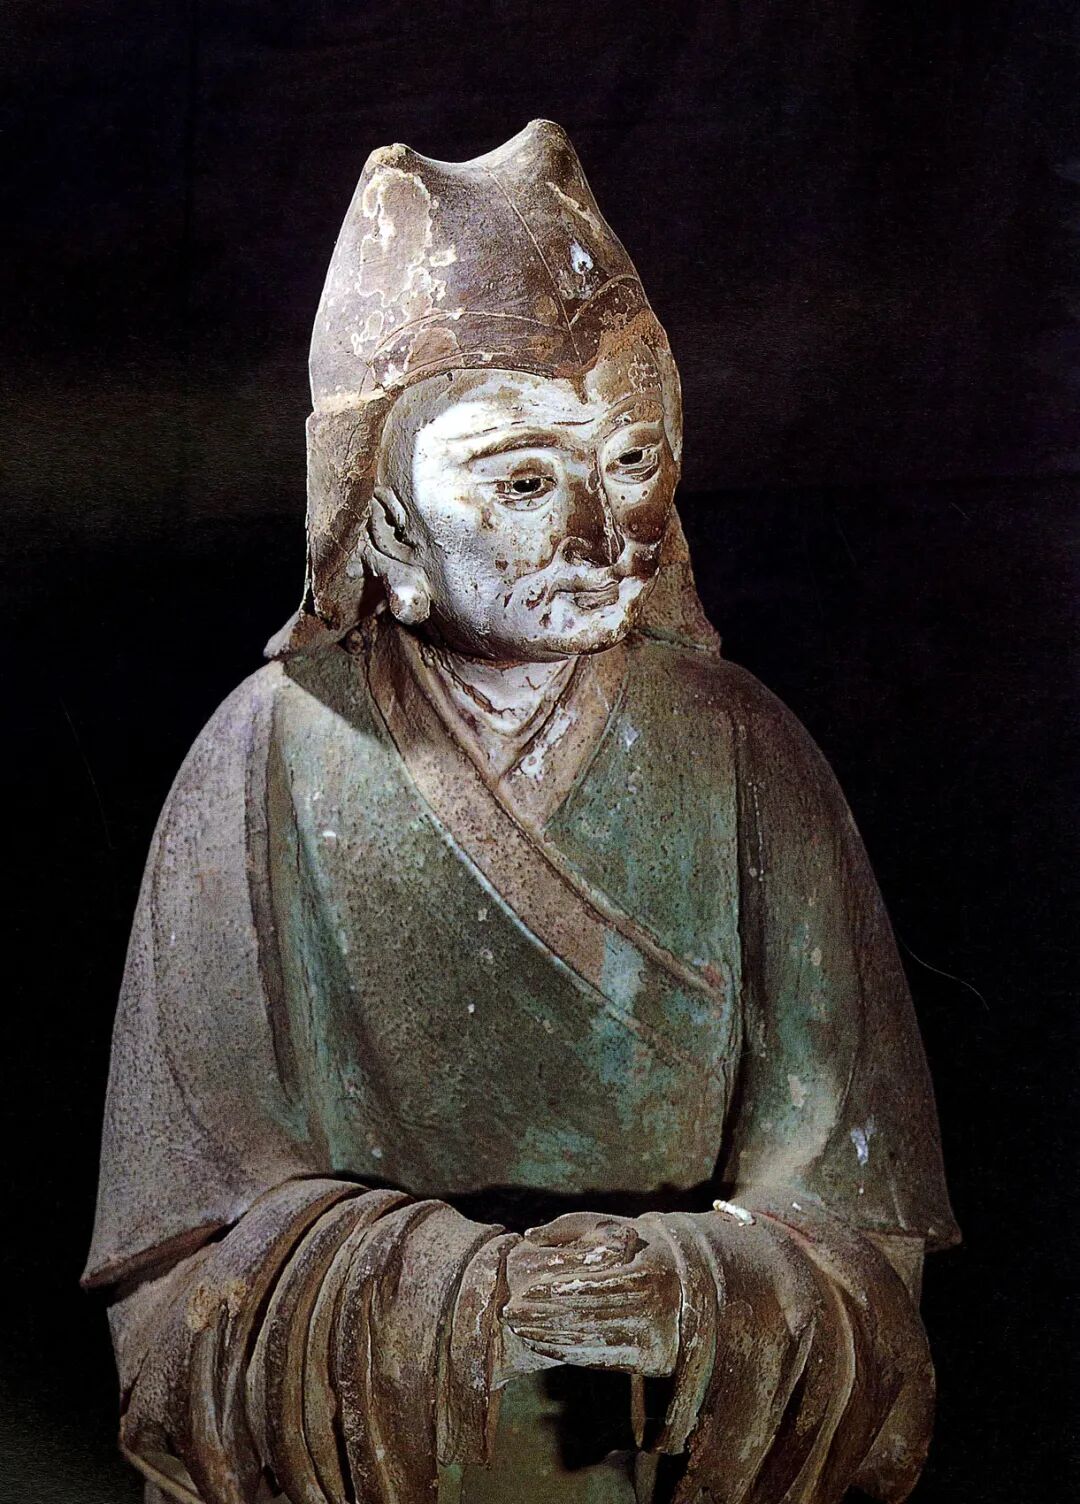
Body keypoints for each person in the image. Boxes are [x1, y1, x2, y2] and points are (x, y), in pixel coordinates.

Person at [84, 120, 958, 1504]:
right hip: (399, 1427)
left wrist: (695, 1293)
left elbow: (858, 1217)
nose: (605, 540)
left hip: (657, 1408)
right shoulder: (261, 764)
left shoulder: (749, 757)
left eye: (633, 463)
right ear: (382, 524)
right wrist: (464, 1300)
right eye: (525, 479)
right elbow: (188, 1261)